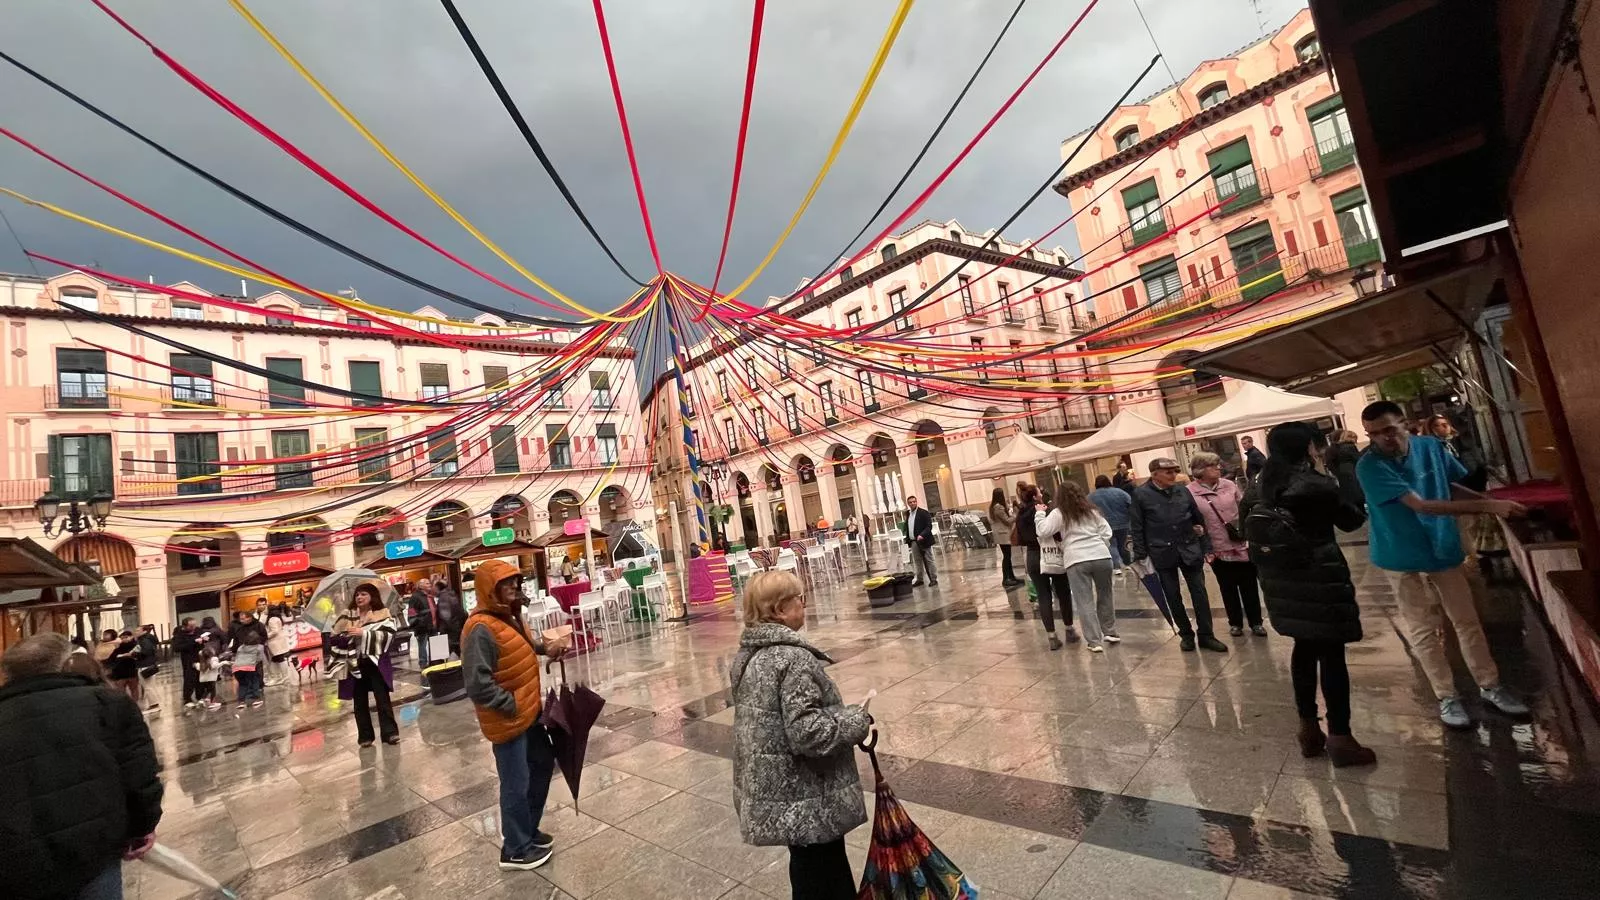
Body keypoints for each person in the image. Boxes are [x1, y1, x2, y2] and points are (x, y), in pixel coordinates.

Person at [1355, 400, 1530, 727]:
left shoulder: (1431, 446)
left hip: (1441, 545)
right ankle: (1446, 696)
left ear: (1404, 424)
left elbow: (1451, 487)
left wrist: (1488, 502)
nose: (1384, 439)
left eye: (1390, 430)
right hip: (1400, 552)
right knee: (1422, 627)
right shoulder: (1369, 466)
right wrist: (1490, 508)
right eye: (1374, 434)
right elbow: (1420, 506)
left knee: (1466, 618)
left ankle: (1490, 685)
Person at [731, 570, 870, 900]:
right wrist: (855, 723)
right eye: (800, 600)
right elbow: (807, 733)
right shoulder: (793, 658)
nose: (805, 605)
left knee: (808, 869)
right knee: (827, 874)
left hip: (784, 791)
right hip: (808, 794)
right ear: (780, 609)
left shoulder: (749, 656)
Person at [1244, 422, 1376, 766]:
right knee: (1332, 655)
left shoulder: (1257, 486)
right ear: (1307, 449)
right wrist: (1343, 469)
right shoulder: (1315, 486)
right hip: (1319, 578)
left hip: (1281, 583)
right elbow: (1351, 520)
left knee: (1303, 649)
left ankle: (1308, 730)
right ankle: (1341, 736)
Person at [0, 632, 163, 900]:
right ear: (66, 663)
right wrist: (142, 826)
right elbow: (138, 773)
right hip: (92, 851)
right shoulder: (106, 702)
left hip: (17, 863)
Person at [462, 559, 571, 870]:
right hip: (509, 716)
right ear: (488, 588)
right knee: (515, 781)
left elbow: (521, 645)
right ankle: (515, 848)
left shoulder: (510, 616)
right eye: (505, 583)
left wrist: (544, 648)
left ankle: (527, 830)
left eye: (515, 581)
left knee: (542, 763)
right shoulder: (480, 628)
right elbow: (476, 683)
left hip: (529, 710)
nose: (513, 587)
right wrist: (508, 704)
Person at [1130, 458, 1228, 653]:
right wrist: (1141, 555)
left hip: (1189, 548)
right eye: (1168, 472)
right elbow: (1137, 526)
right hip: (1162, 552)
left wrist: (1205, 546)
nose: (1173, 475)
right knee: (1173, 595)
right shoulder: (1141, 495)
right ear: (1154, 473)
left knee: (1199, 592)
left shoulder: (1182, 490)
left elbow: (1197, 519)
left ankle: (1207, 635)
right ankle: (1186, 634)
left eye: (1175, 471)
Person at [1189, 452, 1265, 637]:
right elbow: (1191, 518)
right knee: (1227, 586)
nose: (1218, 468)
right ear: (1200, 470)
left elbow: (1244, 506)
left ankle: (1256, 622)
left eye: (1217, 464)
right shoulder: (1190, 492)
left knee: (1249, 584)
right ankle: (1235, 623)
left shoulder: (1229, 485)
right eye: (1212, 466)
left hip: (1240, 542)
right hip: (1216, 546)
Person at [1041, 481, 1119, 652]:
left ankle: (1094, 641)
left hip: (1076, 559)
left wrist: (1039, 515)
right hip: (1101, 556)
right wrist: (1100, 545)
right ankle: (1110, 631)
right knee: (1106, 595)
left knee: (1085, 601)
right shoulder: (1092, 510)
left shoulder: (1058, 513)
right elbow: (1107, 532)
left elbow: (1044, 531)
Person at [1017, 482, 1075, 649]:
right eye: (1039, 493)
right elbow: (1055, 531)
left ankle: (1051, 636)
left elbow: (1020, 538)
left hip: (1033, 557)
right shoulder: (1045, 511)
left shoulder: (1020, 514)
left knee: (1043, 596)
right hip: (1051, 554)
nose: (1041, 494)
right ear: (1035, 496)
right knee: (1063, 592)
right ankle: (1069, 629)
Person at [346, 584, 401, 747]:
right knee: (359, 701)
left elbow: (389, 635)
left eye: (363, 594)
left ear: (372, 597)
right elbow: (335, 639)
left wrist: (364, 633)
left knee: (382, 698)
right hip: (356, 663)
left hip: (375, 663)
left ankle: (390, 733)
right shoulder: (348, 617)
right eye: (357, 594)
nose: (359, 597)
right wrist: (346, 635)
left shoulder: (382, 614)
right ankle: (365, 736)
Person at [1429, 414, 1489, 492]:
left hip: (1471, 473)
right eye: (1437, 425)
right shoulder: (1434, 444)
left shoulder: (1461, 439)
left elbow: (1475, 453)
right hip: (1457, 478)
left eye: (1445, 424)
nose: (1444, 427)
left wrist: (1482, 465)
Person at [1089, 474, 1134, 573]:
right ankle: (1127, 563)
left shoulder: (1091, 496)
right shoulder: (1120, 492)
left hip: (1104, 524)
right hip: (1123, 523)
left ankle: (1116, 567)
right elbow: (1130, 504)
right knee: (1123, 544)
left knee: (1111, 545)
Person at [988, 487, 1023, 588]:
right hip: (1002, 535)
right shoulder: (998, 507)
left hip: (1002, 534)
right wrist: (1016, 515)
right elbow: (1007, 520)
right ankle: (1006, 578)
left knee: (1008, 556)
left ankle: (1011, 577)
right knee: (1007, 557)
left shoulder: (995, 506)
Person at [902, 496, 938, 587]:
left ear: (916, 502)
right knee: (917, 561)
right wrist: (907, 538)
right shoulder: (908, 514)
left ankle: (933, 579)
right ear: (908, 504)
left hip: (924, 540)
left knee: (929, 560)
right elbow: (908, 527)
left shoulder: (923, 513)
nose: (912, 503)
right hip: (913, 541)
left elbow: (928, 526)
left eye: (914, 501)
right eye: (910, 502)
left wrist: (922, 535)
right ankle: (920, 579)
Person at [1324, 429, 1365, 510]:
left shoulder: (1337, 448)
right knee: (1357, 493)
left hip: (1343, 474)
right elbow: (1358, 459)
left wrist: (1337, 473)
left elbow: (1330, 464)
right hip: (1351, 472)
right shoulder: (1349, 447)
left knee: (1350, 493)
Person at [408, 579, 443, 669]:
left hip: (432, 624)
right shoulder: (415, 597)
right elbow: (411, 612)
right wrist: (418, 622)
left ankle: (434, 661)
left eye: (429, 583)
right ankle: (423, 663)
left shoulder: (430, 596)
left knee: (434, 643)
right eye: (427, 583)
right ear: (420, 586)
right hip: (422, 626)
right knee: (422, 645)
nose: (429, 585)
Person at [170, 618, 203, 708]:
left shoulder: (198, 630)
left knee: (200, 678)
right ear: (185, 626)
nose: (193, 628)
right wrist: (193, 642)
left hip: (199, 657)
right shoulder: (179, 635)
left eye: (194, 625)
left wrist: (204, 640)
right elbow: (177, 648)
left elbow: (202, 641)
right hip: (188, 659)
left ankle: (200, 697)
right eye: (191, 626)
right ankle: (187, 698)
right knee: (189, 678)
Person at [106, 631, 142, 706]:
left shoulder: (135, 647)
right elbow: (111, 659)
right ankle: (133, 705)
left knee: (128, 690)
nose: (124, 639)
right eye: (122, 638)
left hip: (124, 673)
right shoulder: (120, 648)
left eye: (126, 637)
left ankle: (128, 705)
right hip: (128, 672)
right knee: (132, 690)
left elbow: (111, 659)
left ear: (131, 637)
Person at [134, 624, 161, 711]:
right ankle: (154, 702)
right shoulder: (147, 639)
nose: (136, 632)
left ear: (144, 631)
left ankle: (154, 703)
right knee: (150, 685)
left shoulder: (144, 640)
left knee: (147, 686)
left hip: (145, 665)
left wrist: (135, 654)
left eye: (138, 631)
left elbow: (146, 652)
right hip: (149, 664)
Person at [265, 606, 293, 686]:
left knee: (278, 659)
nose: (265, 610)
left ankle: (283, 677)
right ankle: (281, 677)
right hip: (279, 641)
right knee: (276, 659)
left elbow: (275, 631)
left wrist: (266, 636)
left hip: (275, 643)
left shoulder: (272, 619)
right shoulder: (277, 618)